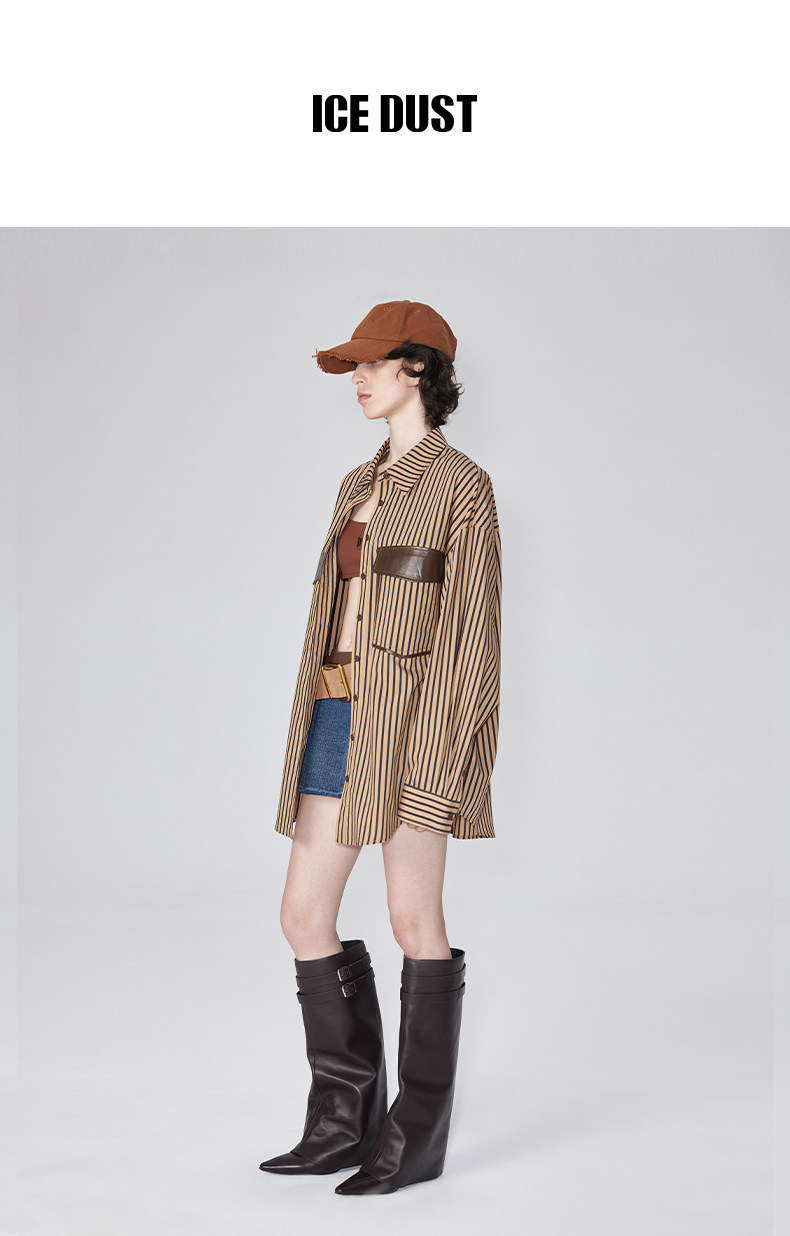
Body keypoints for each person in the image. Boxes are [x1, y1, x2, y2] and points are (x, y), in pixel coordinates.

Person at [259, 300, 503, 1195]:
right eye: (353, 366)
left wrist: (443, 767)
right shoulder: (353, 485)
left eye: (371, 363)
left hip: (414, 732)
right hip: (336, 713)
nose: (357, 379)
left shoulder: (462, 487)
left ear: (418, 368)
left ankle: (417, 1135)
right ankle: (342, 1119)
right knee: (302, 915)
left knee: (413, 922)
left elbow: (473, 642)